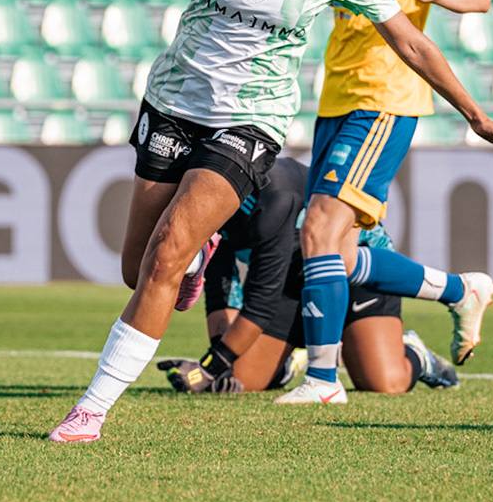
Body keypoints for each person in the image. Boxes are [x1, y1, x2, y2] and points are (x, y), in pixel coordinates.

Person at [0, 0, 493, 443]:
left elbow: (408, 41)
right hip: (176, 102)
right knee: (139, 268)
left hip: (252, 120)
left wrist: (476, 115)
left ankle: (90, 411)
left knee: (167, 253)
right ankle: (202, 254)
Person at [298, 0, 493, 385]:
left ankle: (320, 383)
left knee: (318, 226)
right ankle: (462, 291)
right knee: (333, 254)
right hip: (337, 95)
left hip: (384, 96)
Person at [159, 157, 456, 396]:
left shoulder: (274, 198)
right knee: (240, 377)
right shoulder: (204, 204)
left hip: (349, 263)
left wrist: (209, 366)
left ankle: (416, 352)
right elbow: (222, 289)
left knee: (383, 383)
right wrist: (221, 362)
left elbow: (261, 304)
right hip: (287, 278)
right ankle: (289, 363)